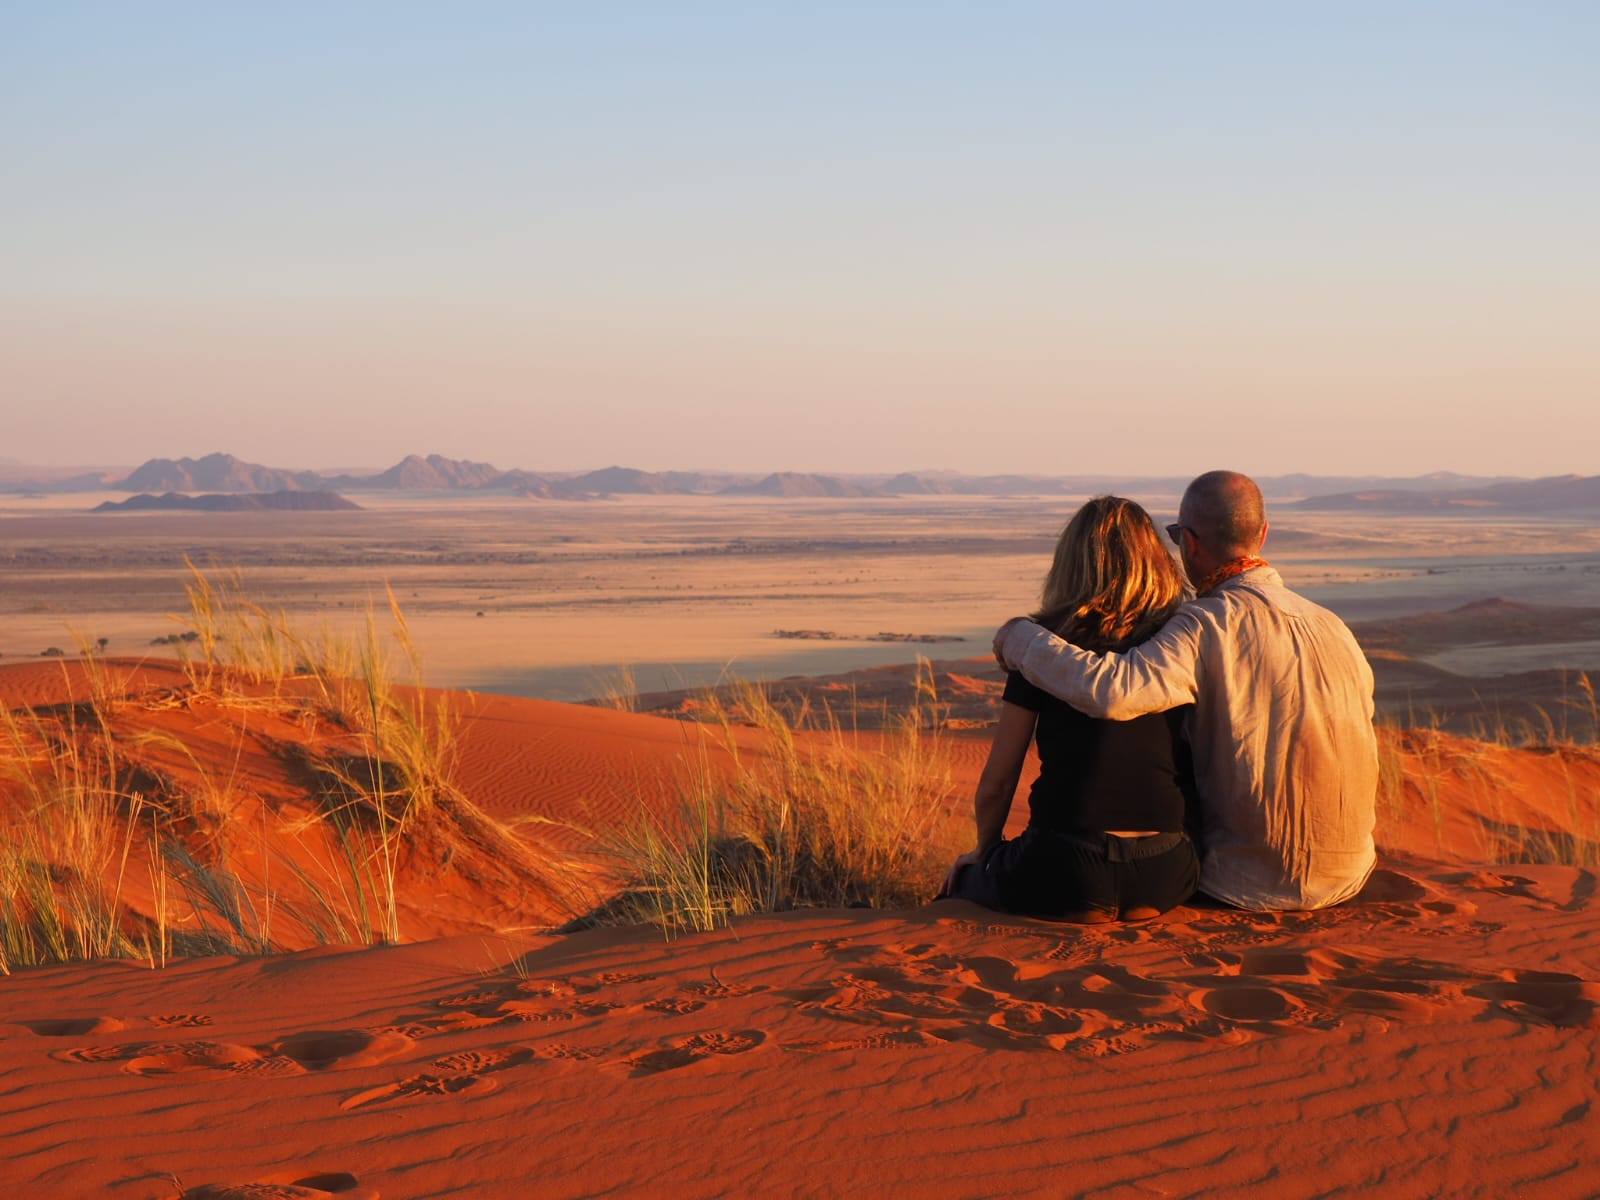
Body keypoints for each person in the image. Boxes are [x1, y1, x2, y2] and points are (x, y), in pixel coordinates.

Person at [993, 470, 1377, 911]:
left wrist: (1020, 638)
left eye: (1177, 537)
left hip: (1246, 882)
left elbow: (1113, 692)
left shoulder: (1206, 623)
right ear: (1263, 535)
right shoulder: (1333, 626)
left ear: (1190, 543)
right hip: (1349, 875)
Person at [941, 495, 1200, 922]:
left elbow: (997, 783)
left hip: (1063, 866)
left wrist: (984, 853)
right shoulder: (1177, 643)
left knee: (961, 884)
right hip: (1165, 868)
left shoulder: (1044, 648)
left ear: (1071, 561)